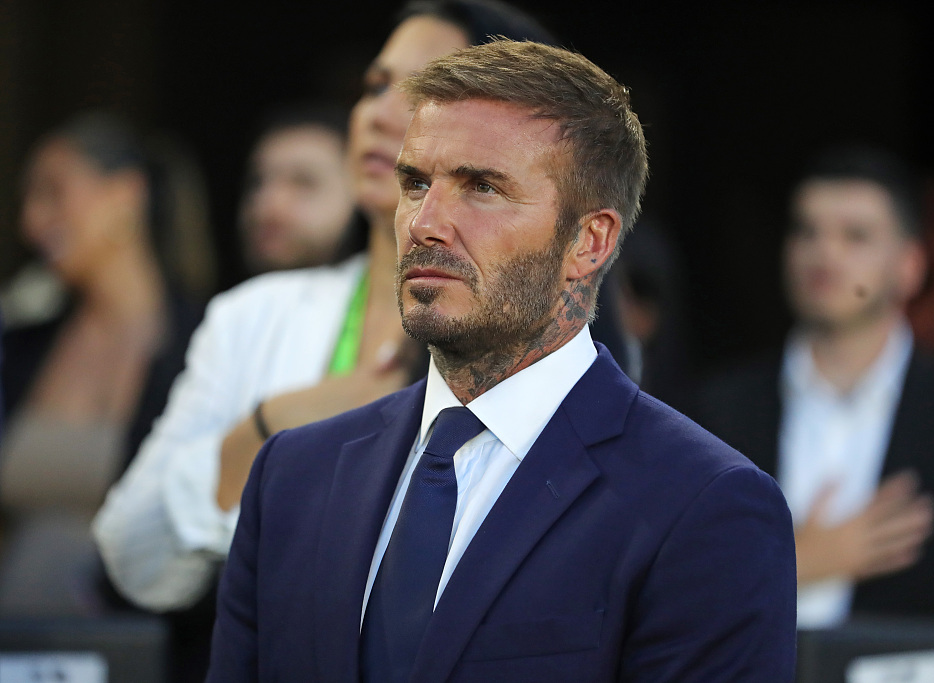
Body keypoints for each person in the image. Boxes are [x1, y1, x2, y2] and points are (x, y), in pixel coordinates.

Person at [206, 39, 797, 682]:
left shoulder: (704, 505)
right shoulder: (293, 477)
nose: (425, 223)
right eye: (415, 183)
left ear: (589, 241)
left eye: (482, 187)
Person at [93, 0, 566, 615]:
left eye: (428, 90)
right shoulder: (256, 316)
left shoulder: (549, 338)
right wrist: (269, 426)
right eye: (375, 85)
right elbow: (129, 558)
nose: (380, 112)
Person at [693, 145, 934, 669]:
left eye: (856, 235)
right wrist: (799, 562)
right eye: (807, 230)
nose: (825, 253)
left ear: (912, 266)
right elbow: (667, 593)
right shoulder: (714, 410)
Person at [0, 111, 207, 615]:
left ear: (125, 195)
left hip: (139, 648)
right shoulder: (21, 345)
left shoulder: (202, 343)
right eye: (28, 199)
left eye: (53, 192)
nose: (32, 220)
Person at [237, 103, 359, 274]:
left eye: (303, 182)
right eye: (257, 182)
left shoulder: (395, 295)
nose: (267, 204)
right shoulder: (232, 300)